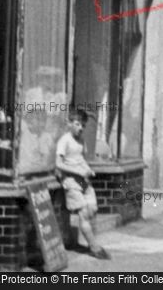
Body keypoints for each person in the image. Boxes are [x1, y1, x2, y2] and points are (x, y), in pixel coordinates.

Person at [56, 109, 110, 259]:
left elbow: (81, 159)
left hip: (84, 181)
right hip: (71, 182)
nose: (80, 128)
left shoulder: (81, 141)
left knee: (92, 208)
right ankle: (94, 247)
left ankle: (87, 242)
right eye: (77, 124)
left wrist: (88, 170)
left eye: (83, 125)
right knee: (84, 213)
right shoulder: (65, 140)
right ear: (69, 123)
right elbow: (58, 164)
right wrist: (77, 172)